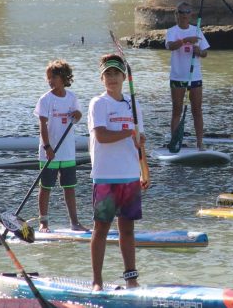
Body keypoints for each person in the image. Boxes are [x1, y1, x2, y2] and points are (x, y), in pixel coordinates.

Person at [88, 54, 149, 290]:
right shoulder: (98, 103)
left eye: (116, 73)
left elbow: (139, 144)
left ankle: (131, 278)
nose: (112, 78)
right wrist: (128, 132)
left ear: (124, 77)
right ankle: (97, 281)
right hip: (105, 175)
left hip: (130, 175)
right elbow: (102, 136)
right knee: (101, 228)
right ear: (102, 78)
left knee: (128, 229)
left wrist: (145, 171)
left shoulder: (133, 105)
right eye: (108, 74)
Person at [34, 60, 86, 233]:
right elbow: (42, 125)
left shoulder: (72, 98)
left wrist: (78, 114)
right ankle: (44, 223)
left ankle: (74, 222)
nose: (50, 81)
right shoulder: (45, 99)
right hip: (49, 152)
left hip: (67, 152)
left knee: (69, 187)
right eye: (48, 78)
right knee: (46, 187)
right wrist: (47, 146)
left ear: (64, 78)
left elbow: (78, 116)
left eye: (54, 77)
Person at [165, 1, 210, 150]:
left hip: (194, 76)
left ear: (191, 14)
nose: (183, 15)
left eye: (186, 12)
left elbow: (205, 53)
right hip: (178, 76)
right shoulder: (172, 31)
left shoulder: (197, 31)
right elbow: (170, 46)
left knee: (197, 110)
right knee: (176, 109)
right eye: (180, 12)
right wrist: (185, 40)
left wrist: (199, 52)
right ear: (176, 15)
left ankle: (200, 142)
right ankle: (175, 141)